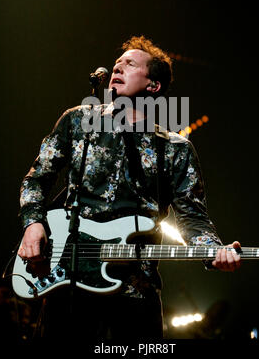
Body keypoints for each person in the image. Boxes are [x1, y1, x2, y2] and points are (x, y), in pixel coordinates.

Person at [17, 35, 241, 342]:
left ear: (153, 86)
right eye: (116, 64)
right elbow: (37, 179)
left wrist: (214, 250)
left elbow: (192, 217)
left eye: (130, 64)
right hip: (69, 281)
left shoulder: (175, 149)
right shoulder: (78, 120)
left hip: (137, 287)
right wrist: (33, 224)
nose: (117, 68)